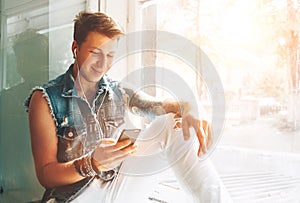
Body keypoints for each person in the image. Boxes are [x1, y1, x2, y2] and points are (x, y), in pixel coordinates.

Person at [25, 11, 232, 203]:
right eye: (95, 53)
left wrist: (192, 110)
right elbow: (46, 175)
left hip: (117, 188)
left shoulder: (119, 91)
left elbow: (168, 107)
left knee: (173, 124)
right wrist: (92, 163)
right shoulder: (45, 99)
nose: (102, 64)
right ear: (75, 48)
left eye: (110, 56)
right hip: (75, 197)